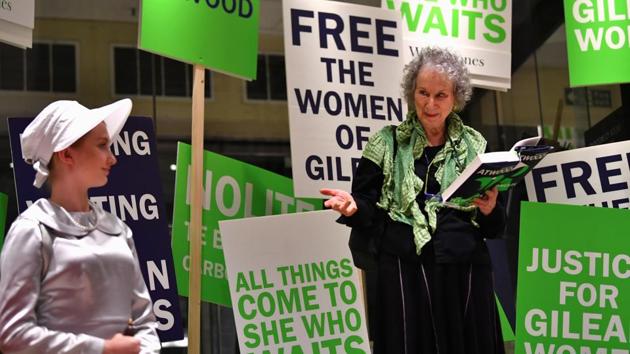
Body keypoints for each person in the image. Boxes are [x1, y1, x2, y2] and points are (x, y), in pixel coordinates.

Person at [321, 47, 506, 354]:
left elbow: (496, 225)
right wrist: (352, 208)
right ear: (411, 92)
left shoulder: (476, 145)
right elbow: (366, 203)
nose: (429, 104)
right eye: (423, 92)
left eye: (440, 95)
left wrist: (489, 210)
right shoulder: (386, 142)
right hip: (406, 272)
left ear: (455, 98)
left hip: (466, 271)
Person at [0, 99, 161, 354]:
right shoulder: (32, 231)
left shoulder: (119, 230)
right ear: (66, 154)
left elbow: (145, 322)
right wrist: (102, 349)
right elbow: (12, 334)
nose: (112, 158)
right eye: (102, 146)